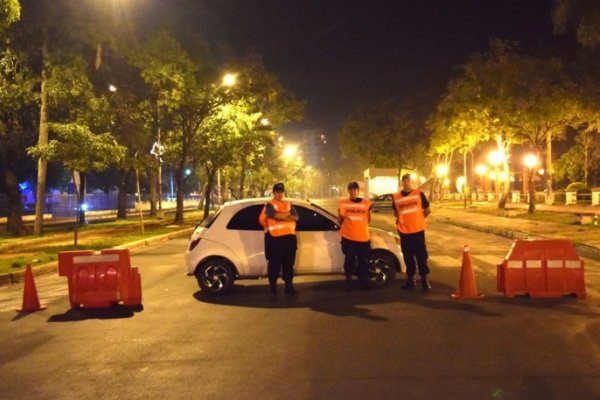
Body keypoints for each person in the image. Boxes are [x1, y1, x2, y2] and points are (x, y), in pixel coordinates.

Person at [259, 182, 300, 297]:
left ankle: (289, 286)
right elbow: (274, 215)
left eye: (281, 191)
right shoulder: (269, 204)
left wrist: (281, 216)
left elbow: (296, 217)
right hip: (274, 239)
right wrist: (287, 216)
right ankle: (273, 288)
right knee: (274, 265)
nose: (279, 193)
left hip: (289, 239)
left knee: (288, 264)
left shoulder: (289, 204)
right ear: (274, 192)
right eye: (277, 191)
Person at [392, 174, 432, 291]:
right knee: (408, 257)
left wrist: (418, 219)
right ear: (402, 183)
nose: (407, 183)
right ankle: (410, 279)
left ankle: (424, 279)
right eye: (405, 181)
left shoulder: (419, 194)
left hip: (418, 231)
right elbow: (396, 213)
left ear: (412, 182)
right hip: (404, 232)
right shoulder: (396, 197)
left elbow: (427, 210)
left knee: (421, 256)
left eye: (409, 180)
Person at [338, 181, 373, 290]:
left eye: (354, 189)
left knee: (364, 261)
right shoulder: (343, 203)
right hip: (348, 238)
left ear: (358, 191)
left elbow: (369, 219)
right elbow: (340, 220)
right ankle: (349, 280)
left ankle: (365, 280)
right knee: (349, 260)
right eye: (350, 189)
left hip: (363, 238)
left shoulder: (366, 203)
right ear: (348, 191)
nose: (352, 191)